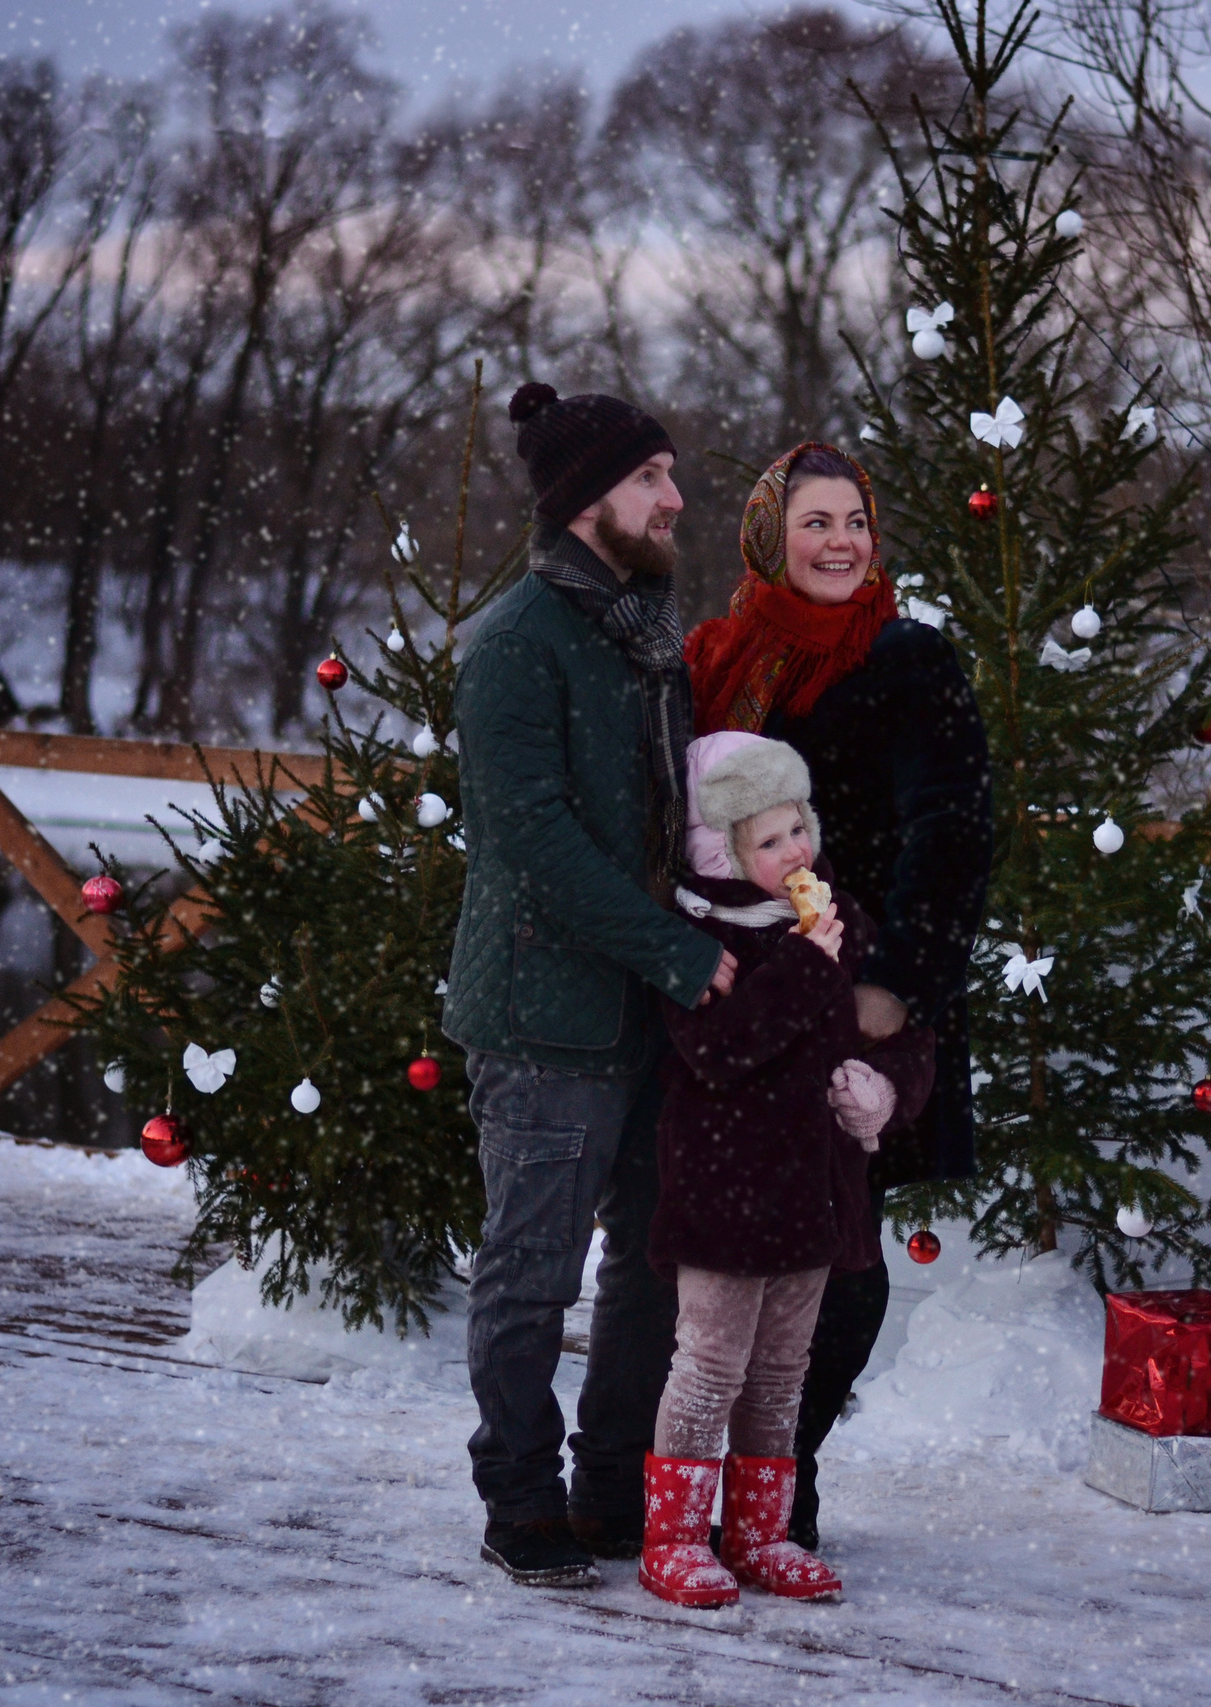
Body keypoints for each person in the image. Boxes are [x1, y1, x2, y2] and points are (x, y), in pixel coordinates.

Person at [444, 382, 738, 1588]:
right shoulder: (516, 641)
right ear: (585, 503)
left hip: (649, 1017)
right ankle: (520, 1499)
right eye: (651, 479)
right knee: (532, 1272)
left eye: (670, 477)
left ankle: (613, 1492)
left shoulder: (644, 629)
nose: (675, 499)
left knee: (652, 1269)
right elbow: (538, 846)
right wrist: (678, 952)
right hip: (545, 1018)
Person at [681, 442, 993, 1549]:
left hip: (859, 995)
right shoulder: (718, 660)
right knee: (718, 1246)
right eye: (814, 522)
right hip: (734, 1002)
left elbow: (953, 832)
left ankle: (781, 1479)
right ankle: (678, 1483)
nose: (840, 542)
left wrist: (898, 983)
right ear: (769, 536)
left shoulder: (907, 659)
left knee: (842, 1247)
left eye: (854, 520)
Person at [636, 732, 934, 1608]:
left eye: (797, 829)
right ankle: (675, 1534)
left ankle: (759, 1529)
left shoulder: (838, 915)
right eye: (768, 842)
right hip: (727, 1191)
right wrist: (807, 962)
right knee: (711, 1362)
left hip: (816, 1189)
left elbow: (902, 1025)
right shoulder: (697, 937)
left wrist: (885, 1087)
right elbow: (720, 1052)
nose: (795, 853)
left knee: (782, 1368)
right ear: (721, 849)